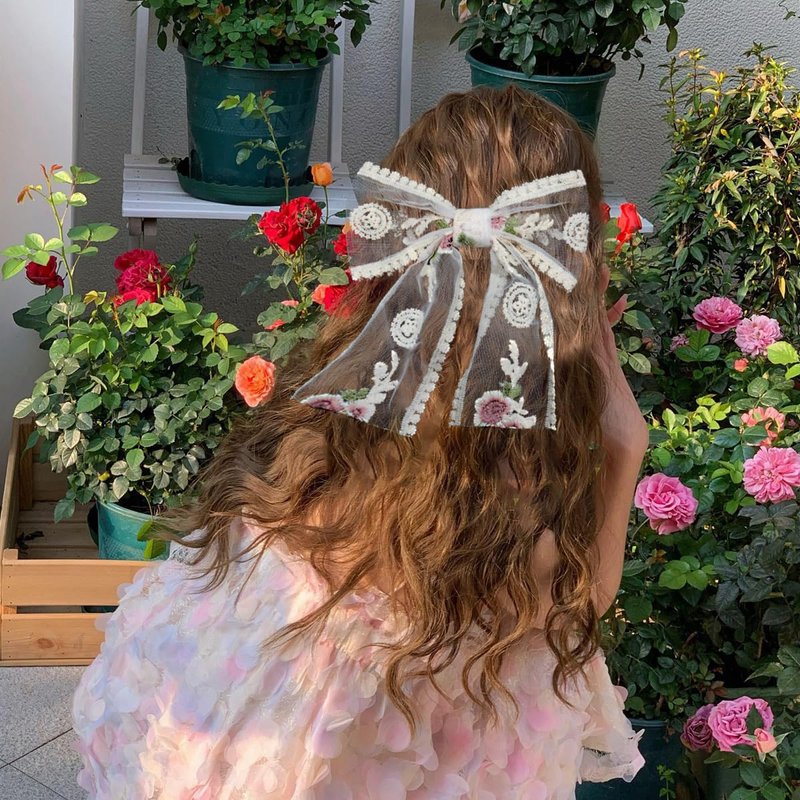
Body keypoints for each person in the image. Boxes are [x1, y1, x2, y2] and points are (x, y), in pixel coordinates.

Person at [72, 85, 649, 799]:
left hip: (198, 728)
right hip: (340, 760)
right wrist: (624, 448)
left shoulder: (340, 410)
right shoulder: (488, 498)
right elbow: (579, 602)